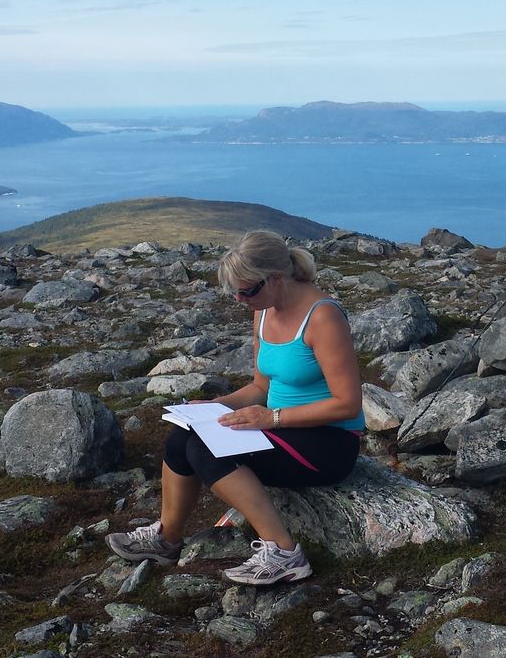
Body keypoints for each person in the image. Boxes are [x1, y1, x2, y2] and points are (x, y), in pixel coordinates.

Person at [106, 230, 366, 585]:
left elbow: (347, 404)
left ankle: (285, 553)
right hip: (282, 428)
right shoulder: (263, 311)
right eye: (236, 292)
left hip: (328, 442)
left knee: (208, 450)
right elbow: (261, 387)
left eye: (247, 291)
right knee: (183, 436)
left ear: (275, 278)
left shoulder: (323, 317)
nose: (241, 299)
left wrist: (272, 419)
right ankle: (166, 540)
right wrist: (214, 406)